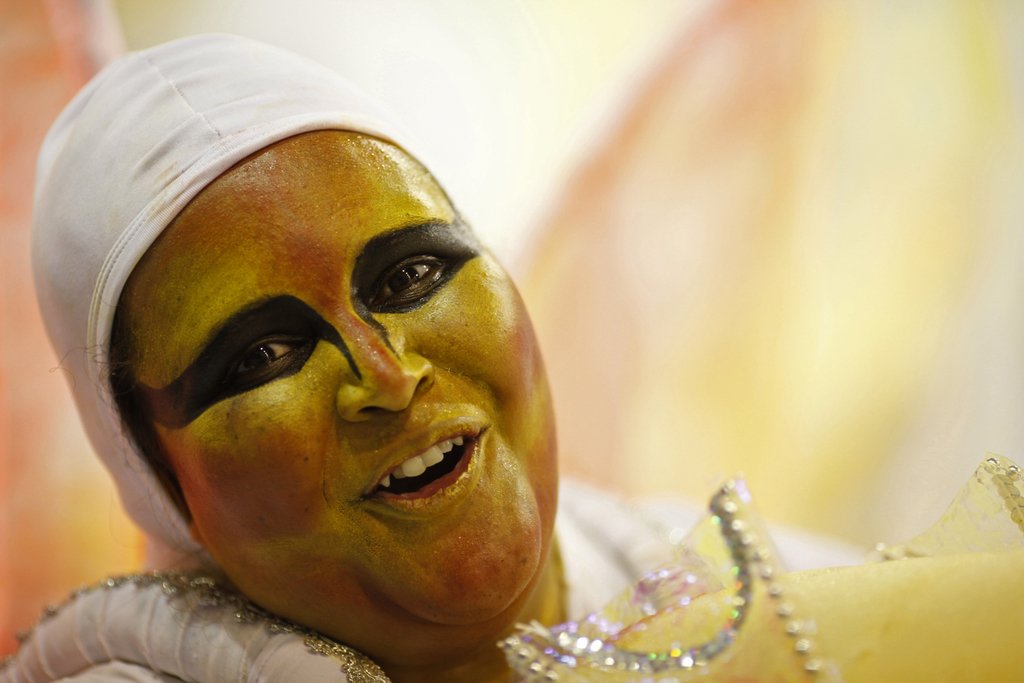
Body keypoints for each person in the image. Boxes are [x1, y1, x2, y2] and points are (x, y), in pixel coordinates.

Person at [12, 32, 1018, 683]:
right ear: (160, 481)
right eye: (264, 353)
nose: (387, 375)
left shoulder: (729, 591)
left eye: (410, 273)